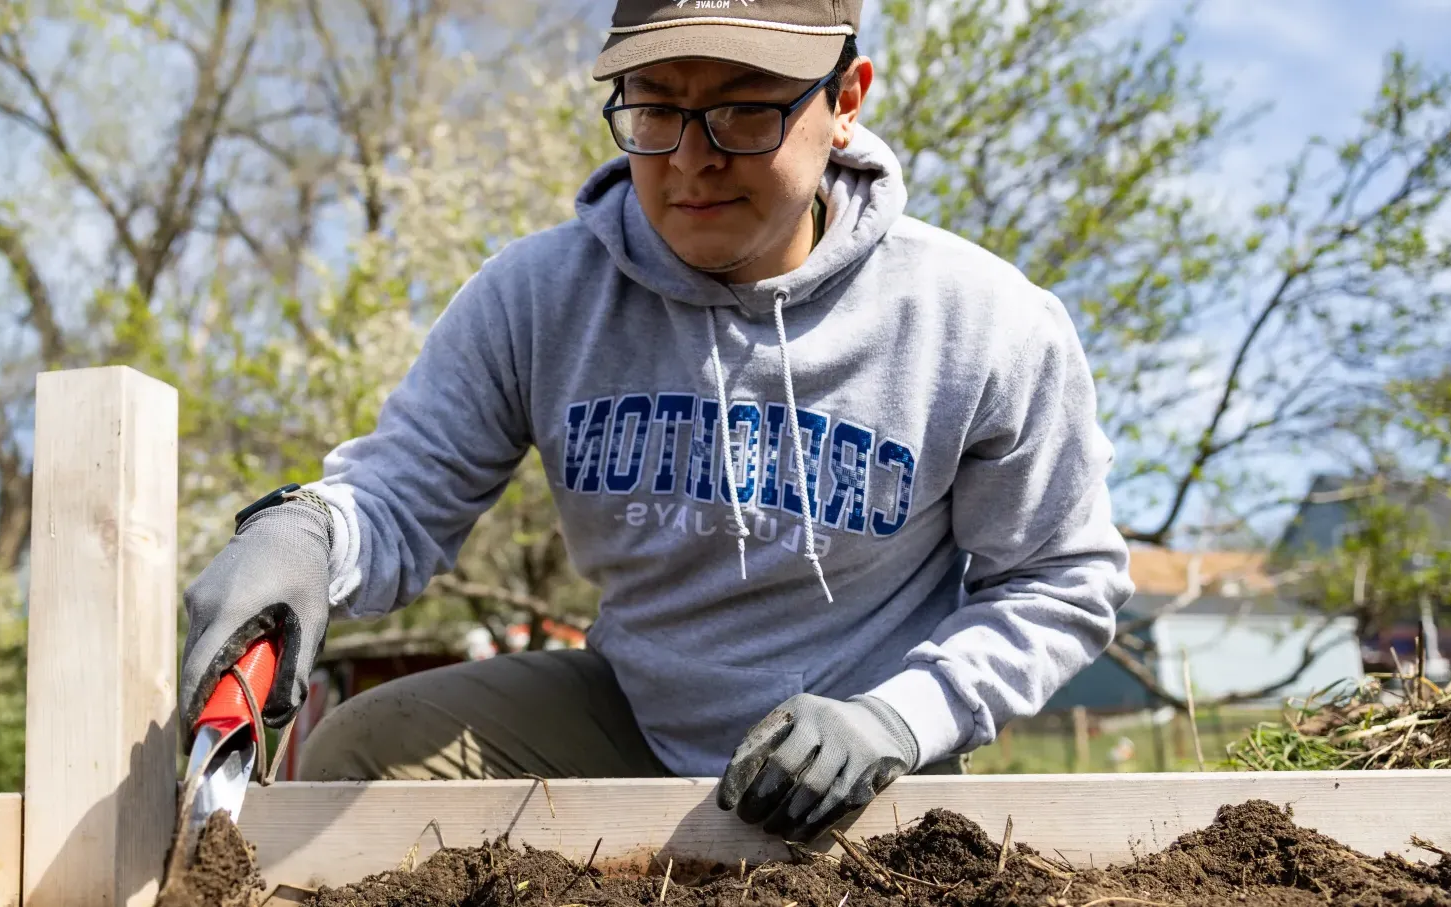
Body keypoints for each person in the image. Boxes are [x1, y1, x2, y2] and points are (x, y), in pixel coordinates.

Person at [180, 0, 1134, 844]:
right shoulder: (540, 297)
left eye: (745, 110)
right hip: (630, 718)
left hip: (870, 765)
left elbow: (1061, 578)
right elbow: (399, 496)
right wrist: (305, 533)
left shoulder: (983, 321)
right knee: (363, 752)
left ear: (846, 101)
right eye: (656, 110)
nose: (692, 158)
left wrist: (899, 718)